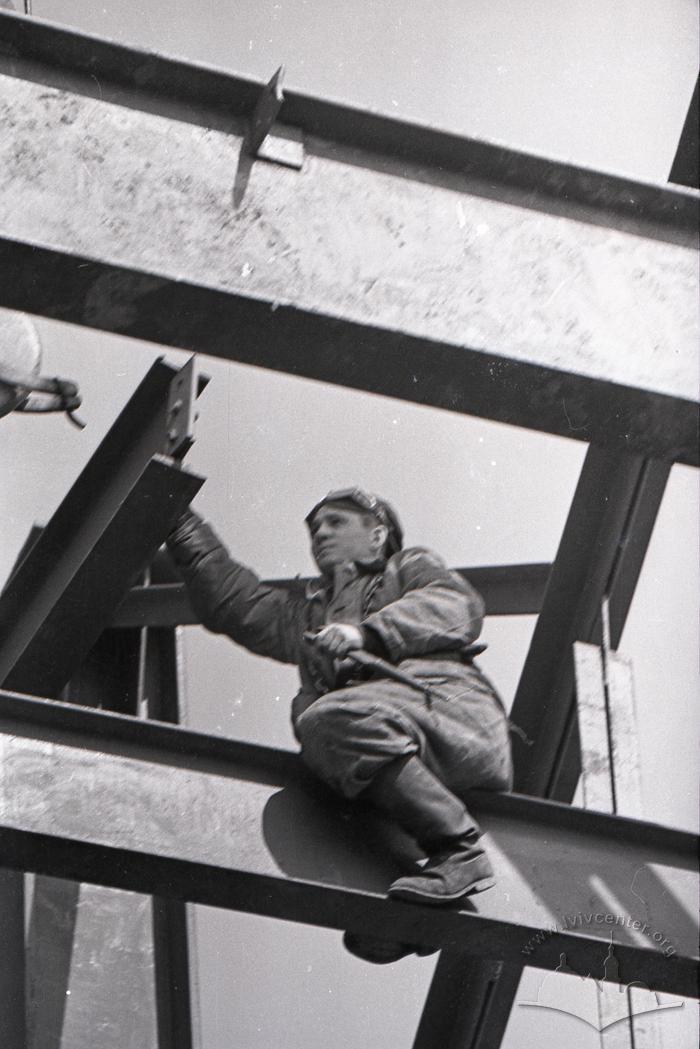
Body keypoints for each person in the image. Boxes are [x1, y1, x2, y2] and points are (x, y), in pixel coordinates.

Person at [167, 487, 512, 962]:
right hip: (384, 749)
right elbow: (237, 604)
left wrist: (367, 633)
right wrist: (178, 522)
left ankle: (460, 851)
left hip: (451, 721)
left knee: (328, 721)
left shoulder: (406, 568)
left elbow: (455, 606)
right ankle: (423, 911)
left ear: (377, 535)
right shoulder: (312, 616)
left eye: (335, 522)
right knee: (331, 779)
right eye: (315, 528)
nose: (320, 534)